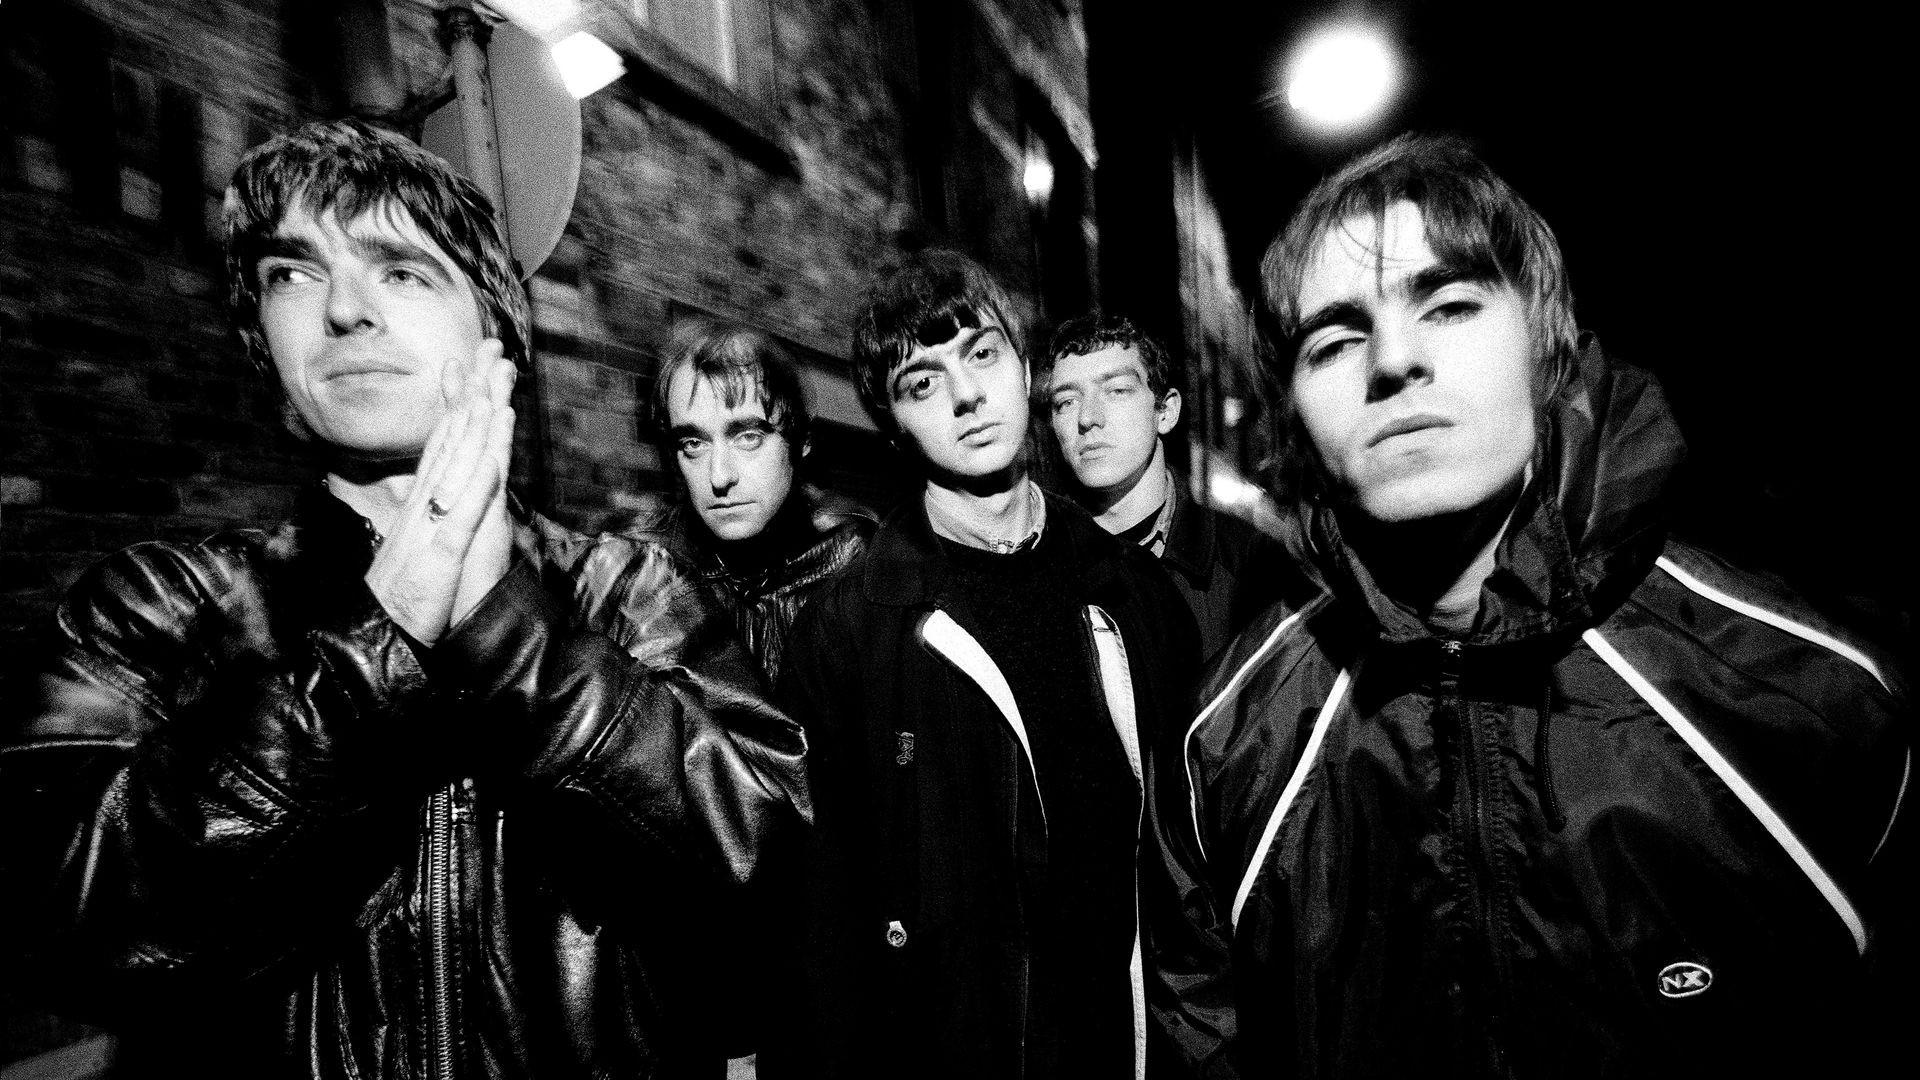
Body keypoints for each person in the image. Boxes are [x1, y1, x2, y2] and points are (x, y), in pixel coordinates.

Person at [0, 119, 806, 1079]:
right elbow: (63, 933)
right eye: (292, 275)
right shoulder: (162, 607)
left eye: (402, 272)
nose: (343, 309)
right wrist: (374, 653)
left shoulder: (627, 590)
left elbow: (775, 886)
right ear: (261, 336)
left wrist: (505, 630)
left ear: (495, 334)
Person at [1150, 133, 1912, 1077]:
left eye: (1453, 303)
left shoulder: (1806, 694)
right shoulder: (1228, 744)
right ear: (1297, 416)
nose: (1394, 361)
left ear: (1548, 346)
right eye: (1335, 339)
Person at [766, 250, 1197, 1078]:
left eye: (982, 354)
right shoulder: (849, 631)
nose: (965, 395)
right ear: (894, 426)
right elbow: (820, 920)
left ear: (1024, 368)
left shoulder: (1134, 595)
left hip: (1123, 1045)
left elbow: (1192, 876)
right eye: (921, 383)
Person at [617, 321, 875, 685]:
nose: (719, 477)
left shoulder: (855, 559)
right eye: (693, 444)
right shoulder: (641, 571)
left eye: (748, 437)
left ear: (801, 442)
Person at [1039, 314, 1309, 661]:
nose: (1088, 418)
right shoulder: (1040, 568)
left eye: (1116, 390)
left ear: (1165, 411)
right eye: (1066, 401)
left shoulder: (1254, 568)